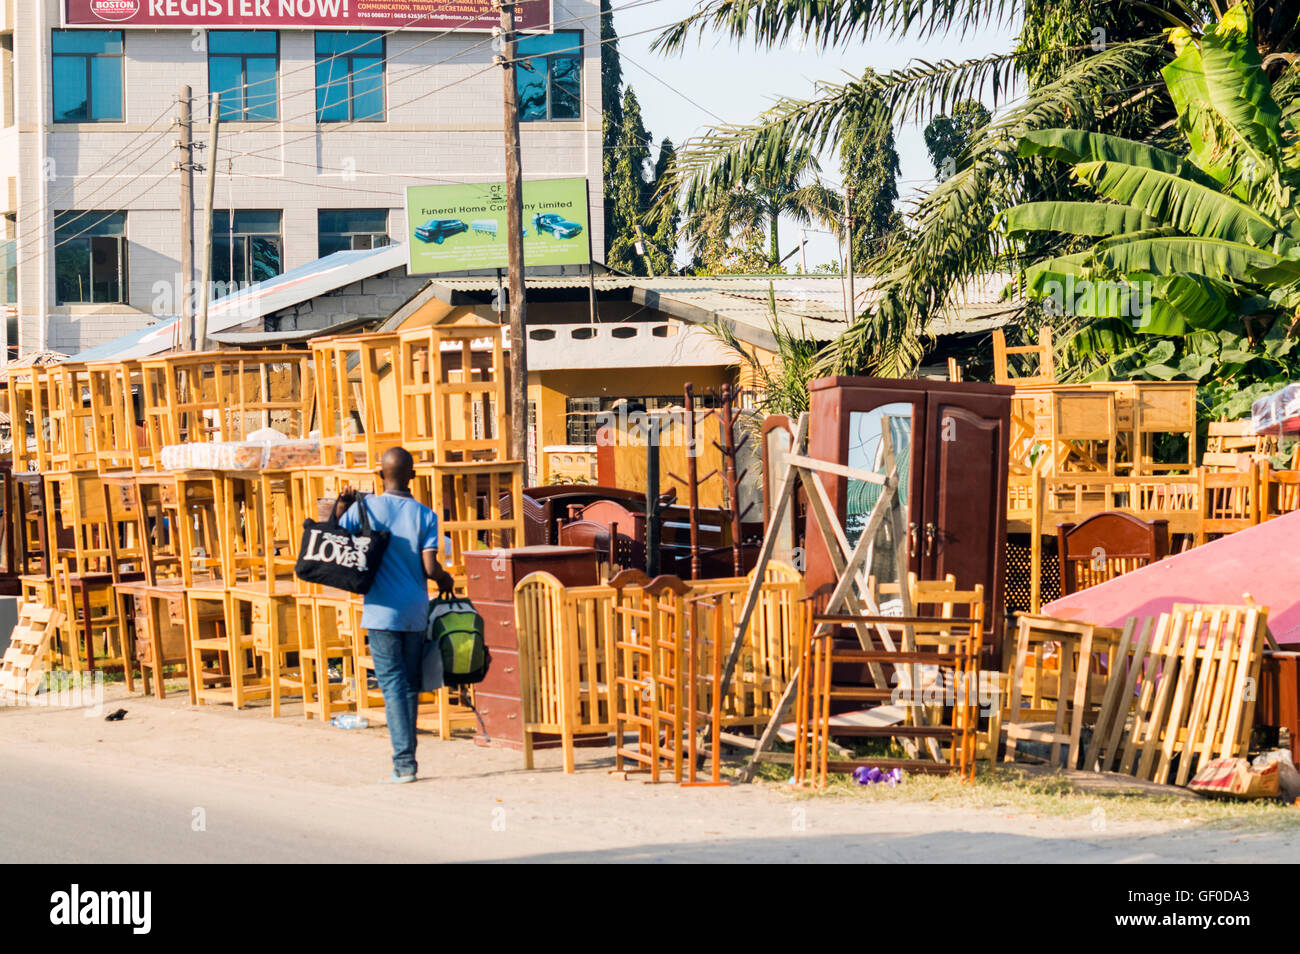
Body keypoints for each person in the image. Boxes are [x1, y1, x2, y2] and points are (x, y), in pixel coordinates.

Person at [336, 446, 454, 784]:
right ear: (413, 476)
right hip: (414, 613)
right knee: (410, 686)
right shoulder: (425, 515)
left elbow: (338, 536)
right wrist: (446, 579)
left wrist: (343, 505)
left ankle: (404, 764)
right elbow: (430, 567)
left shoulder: (366, 509)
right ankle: (407, 761)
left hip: (379, 613)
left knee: (392, 685)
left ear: (379, 476)